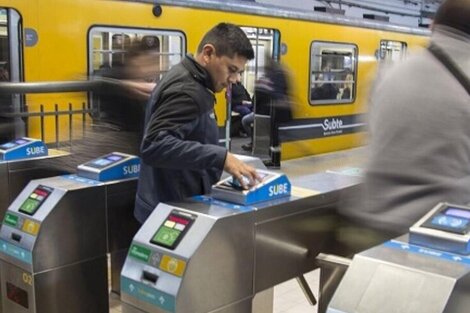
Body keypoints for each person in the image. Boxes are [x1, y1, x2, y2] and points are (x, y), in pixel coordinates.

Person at [338, 0, 470, 246]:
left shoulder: (388, 72)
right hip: (440, 236)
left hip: (370, 225)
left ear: (433, 26)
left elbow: (372, 140)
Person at [135, 23, 260, 223]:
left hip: (166, 201)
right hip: (169, 208)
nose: (235, 79)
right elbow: (154, 145)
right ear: (208, 54)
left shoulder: (188, 78)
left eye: (239, 73)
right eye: (231, 69)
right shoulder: (187, 90)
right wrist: (222, 157)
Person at [242, 57, 292, 154]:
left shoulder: (268, 80)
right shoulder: (280, 75)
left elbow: (255, 101)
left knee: (245, 120)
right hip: (275, 112)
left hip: (264, 113)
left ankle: (255, 142)